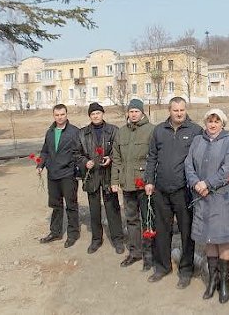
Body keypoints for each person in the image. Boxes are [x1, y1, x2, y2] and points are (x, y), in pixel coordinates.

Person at [144, 96, 203, 288]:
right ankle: (162, 267)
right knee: (162, 230)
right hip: (161, 189)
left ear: (186, 110)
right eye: (175, 110)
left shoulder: (195, 131)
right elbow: (152, 157)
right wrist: (149, 181)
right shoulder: (159, 131)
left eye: (182, 110)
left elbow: (201, 159)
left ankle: (186, 270)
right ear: (169, 110)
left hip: (183, 190)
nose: (179, 113)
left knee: (186, 231)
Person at [184, 108, 229, 304]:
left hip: (221, 199)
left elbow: (228, 169)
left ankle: (224, 282)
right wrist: (196, 183)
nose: (212, 125)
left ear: (222, 123)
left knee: (222, 239)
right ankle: (212, 279)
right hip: (201, 197)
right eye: (209, 121)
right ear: (205, 123)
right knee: (208, 239)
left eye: (216, 121)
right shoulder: (198, 141)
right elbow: (188, 164)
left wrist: (207, 184)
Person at [111, 99, 155, 271]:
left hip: (144, 185)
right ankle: (135, 253)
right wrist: (115, 180)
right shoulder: (121, 133)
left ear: (142, 112)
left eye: (137, 111)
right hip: (127, 184)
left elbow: (154, 158)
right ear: (128, 113)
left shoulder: (151, 131)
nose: (134, 114)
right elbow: (116, 159)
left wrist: (150, 180)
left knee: (148, 220)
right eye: (131, 111)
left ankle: (149, 255)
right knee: (131, 219)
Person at [75, 102, 125, 254]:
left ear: (103, 114)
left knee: (112, 208)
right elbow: (76, 154)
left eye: (98, 113)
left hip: (108, 176)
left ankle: (118, 239)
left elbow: (119, 151)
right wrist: (85, 162)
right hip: (92, 177)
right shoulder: (82, 133)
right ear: (90, 116)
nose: (96, 116)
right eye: (93, 114)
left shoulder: (113, 130)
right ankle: (97, 239)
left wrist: (110, 157)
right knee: (94, 209)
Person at [36, 104, 81, 248]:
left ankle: (73, 234)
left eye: (62, 114)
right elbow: (44, 151)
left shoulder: (74, 132)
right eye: (57, 115)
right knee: (56, 205)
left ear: (66, 114)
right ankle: (55, 232)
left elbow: (79, 153)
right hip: (53, 174)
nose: (60, 117)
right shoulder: (50, 132)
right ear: (53, 116)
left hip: (68, 174)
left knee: (71, 205)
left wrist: (77, 169)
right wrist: (40, 165)